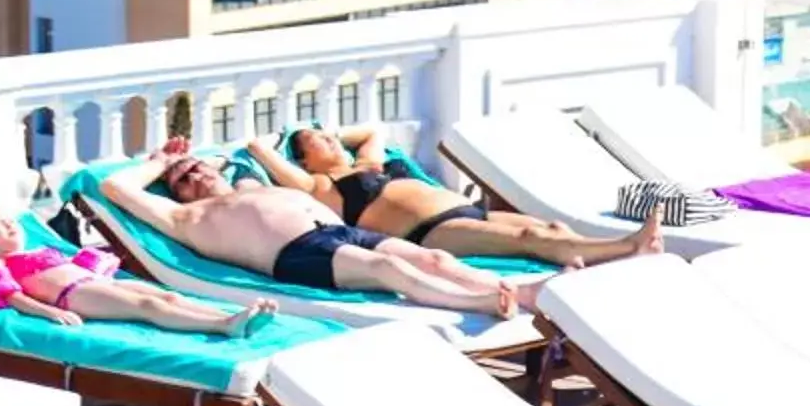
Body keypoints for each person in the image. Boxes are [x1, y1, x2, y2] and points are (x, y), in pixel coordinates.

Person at [99, 148, 537, 319]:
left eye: (196, 168)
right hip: (297, 253)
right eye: (183, 180)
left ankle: (521, 293)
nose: (194, 178)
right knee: (387, 268)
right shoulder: (185, 217)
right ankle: (475, 303)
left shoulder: (252, 184)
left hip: (337, 230)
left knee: (435, 260)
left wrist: (210, 159)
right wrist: (161, 162)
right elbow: (114, 187)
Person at [250, 125, 658, 269]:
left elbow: (374, 132)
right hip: (430, 231)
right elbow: (257, 149)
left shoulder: (366, 163)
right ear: (304, 161)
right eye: (314, 141)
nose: (326, 139)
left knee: (549, 228)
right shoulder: (318, 187)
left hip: (463, 209)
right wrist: (277, 143)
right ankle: (626, 247)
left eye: (325, 134)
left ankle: (609, 257)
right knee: (526, 240)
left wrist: (335, 138)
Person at [0, 205, 276, 339]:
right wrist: (47, 312)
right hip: (73, 295)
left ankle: (237, 316)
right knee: (147, 307)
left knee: (168, 294)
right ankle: (224, 325)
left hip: (94, 281)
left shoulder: (42, 249)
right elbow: (12, 296)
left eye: (9, 220)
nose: (8, 224)